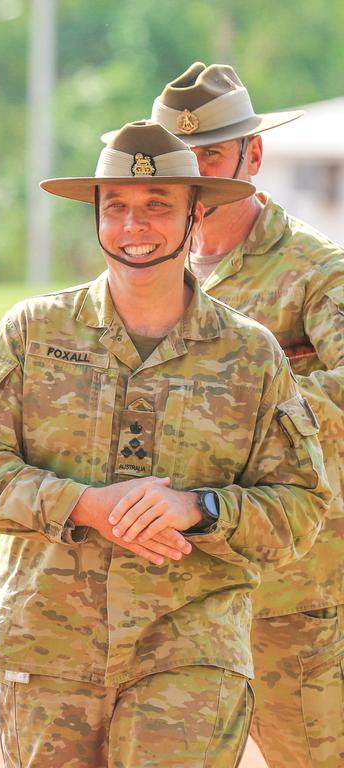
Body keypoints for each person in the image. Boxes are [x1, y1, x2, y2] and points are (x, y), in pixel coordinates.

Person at [0, 120, 329, 767]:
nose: (133, 226)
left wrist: (200, 509)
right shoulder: (32, 333)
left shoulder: (250, 354)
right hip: (49, 650)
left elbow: (301, 508)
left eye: (156, 207)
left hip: (191, 652)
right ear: (95, 215)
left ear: (196, 215)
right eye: (115, 207)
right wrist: (87, 506)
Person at [139, 62, 344, 768]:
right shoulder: (149, 273)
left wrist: (228, 406)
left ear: (253, 156)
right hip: (177, 592)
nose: (195, 180)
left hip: (293, 594)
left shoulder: (319, 271)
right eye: (177, 162)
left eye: (213, 158)